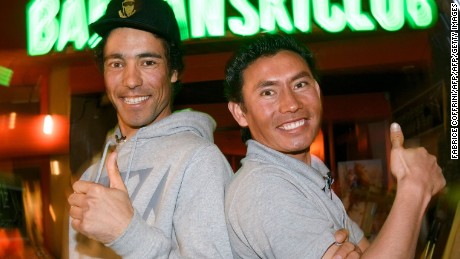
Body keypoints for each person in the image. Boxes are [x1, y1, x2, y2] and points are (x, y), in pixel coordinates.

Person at [224, 33, 446, 259]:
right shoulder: (265, 189)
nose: (291, 104)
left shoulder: (311, 173)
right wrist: (414, 187)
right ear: (240, 113)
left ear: (317, 91)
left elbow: (371, 252)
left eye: (300, 84)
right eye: (268, 92)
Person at [66, 0, 235, 258]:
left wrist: (127, 234)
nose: (131, 80)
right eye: (116, 63)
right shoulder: (91, 176)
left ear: (174, 71)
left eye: (148, 62)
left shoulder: (199, 161)